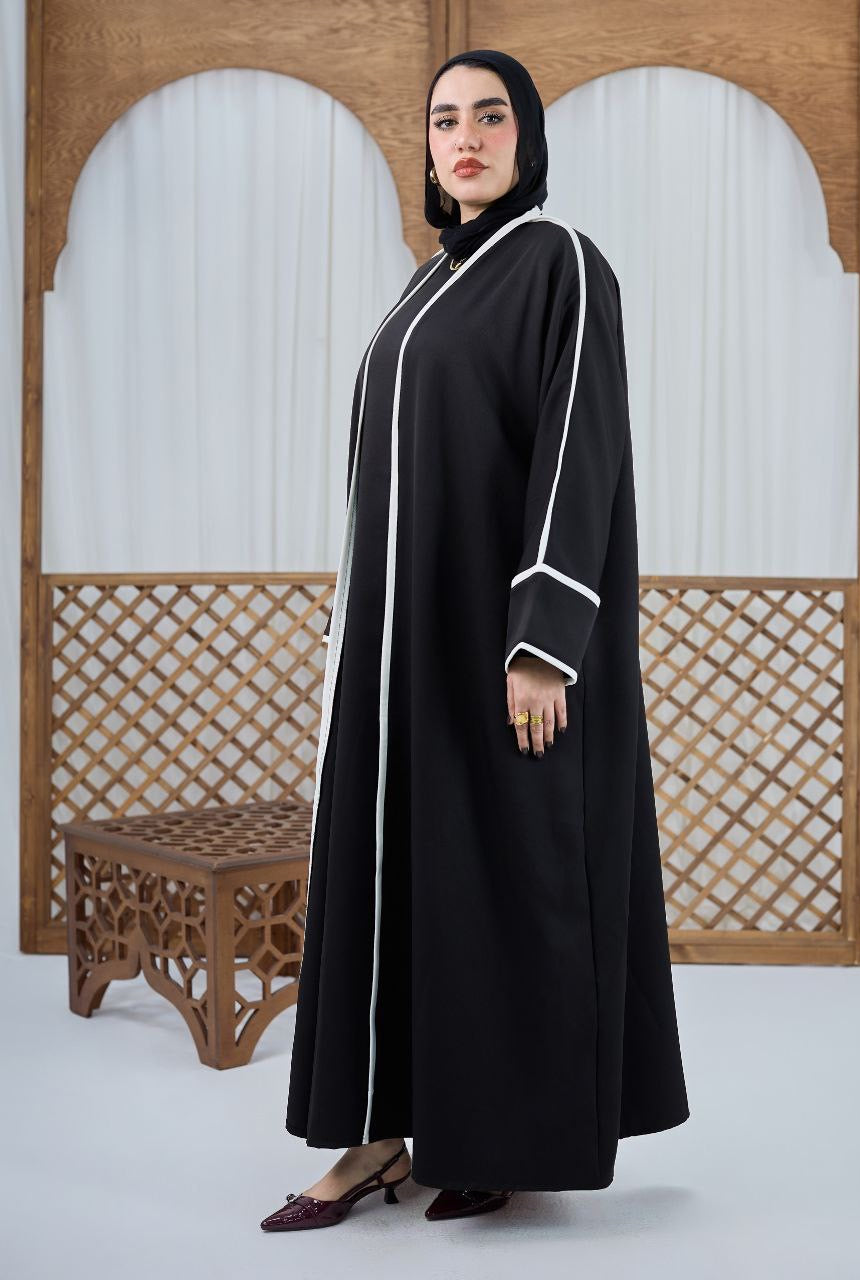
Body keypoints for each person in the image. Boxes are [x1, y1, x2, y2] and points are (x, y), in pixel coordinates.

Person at [261, 48, 689, 1232]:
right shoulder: (427, 283)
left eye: (489, 117)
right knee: (409, 885)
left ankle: (494, 1137)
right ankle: (377, 1136)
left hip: (496, 649)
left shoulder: (558, 263)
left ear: (525, 138)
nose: (464, 138)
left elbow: (578, 447)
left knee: (503, 883)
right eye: (444, 119)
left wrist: (542, 638)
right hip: (401, 656)